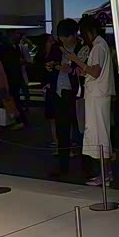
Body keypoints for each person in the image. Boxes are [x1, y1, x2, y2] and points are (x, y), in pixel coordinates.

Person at [64, 17, 116, 186]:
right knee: (100, 135)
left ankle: (105, 176)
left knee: (100, 136)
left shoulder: (99, 47)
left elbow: (95, 72)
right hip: (97, 95)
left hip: (97, 96)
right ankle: (106, 174)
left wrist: (77, 61)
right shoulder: (100, 46)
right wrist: (84, 70)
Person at [48, 20, 81, 177]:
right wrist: (51, 66)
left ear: (74, 34)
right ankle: (63, 166)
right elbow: (48, 62)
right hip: (59, 92)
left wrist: (71, 69)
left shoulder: (82, 47)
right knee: (62, 130)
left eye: (67, 37)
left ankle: (87, 165)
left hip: (77, 93)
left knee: (80, 129)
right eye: (61, 37)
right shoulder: (57, 48)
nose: (64, 41)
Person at [40, 34, 59, 149]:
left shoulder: (56, 56)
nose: (52, 43)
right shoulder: (43, 58)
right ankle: (56, 140)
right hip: (50, 90)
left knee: (57, 116)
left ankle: (59, 140)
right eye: (49, 41)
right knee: (53, 117)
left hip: (55, 89)